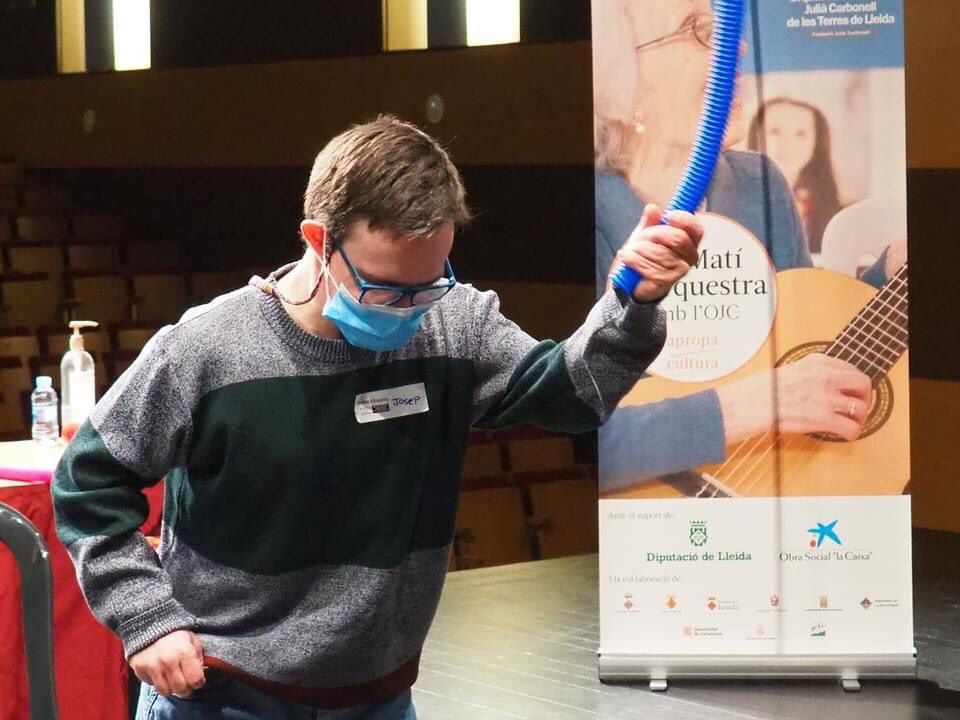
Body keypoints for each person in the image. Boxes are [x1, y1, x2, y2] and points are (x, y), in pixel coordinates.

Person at [51, 116, 702, 719]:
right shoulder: (206, 349)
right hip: (221, 695)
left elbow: (573, 397)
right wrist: (146, 619)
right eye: (385, 288)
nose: (408, 310)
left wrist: (633, 303)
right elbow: (87, 482)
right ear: (317, 241)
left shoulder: (455, 323)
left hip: (376, 699)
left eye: (429, 284)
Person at [591, 0, 888, 492]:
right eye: (699, 29)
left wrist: (889, 274)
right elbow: (572, 435)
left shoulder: (760, 182)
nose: (737, 48)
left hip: (772, 489)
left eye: (725, 28)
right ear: (619, 78)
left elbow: (807, 344)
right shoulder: (580, 211)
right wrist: (757, 405)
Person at [748, 97, 844, 254]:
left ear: (817, 143)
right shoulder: (728, 201)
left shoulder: (838, 213)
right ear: (756, 137)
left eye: (801, 134)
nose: (787, 143)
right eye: (775, 131)